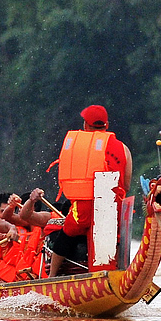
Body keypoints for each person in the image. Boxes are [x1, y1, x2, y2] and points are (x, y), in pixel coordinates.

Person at [49, 105, 132, 276]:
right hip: (113, 208)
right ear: (106, 125)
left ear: (85, 125)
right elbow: (127, 184)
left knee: (67, 233)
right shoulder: (123, 148)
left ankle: (51, 276)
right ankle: (118, 271)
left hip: (84, 207)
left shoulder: (78, 147)